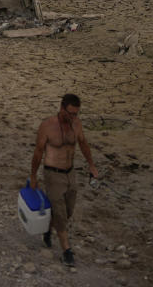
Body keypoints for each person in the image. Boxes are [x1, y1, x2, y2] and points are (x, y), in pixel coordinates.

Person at [30, 93, 98, 267]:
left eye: (76, 113)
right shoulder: (47, 126)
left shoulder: (76, 124)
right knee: (60, 213)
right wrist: (33, 176)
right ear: (62, 108)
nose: (73, 117)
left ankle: (47, 229)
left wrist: (91, 165)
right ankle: (67, 251)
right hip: (52, 173)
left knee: (67, 211)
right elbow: (38, 152)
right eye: (70, 113)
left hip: (70, 173)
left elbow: (83, 143)